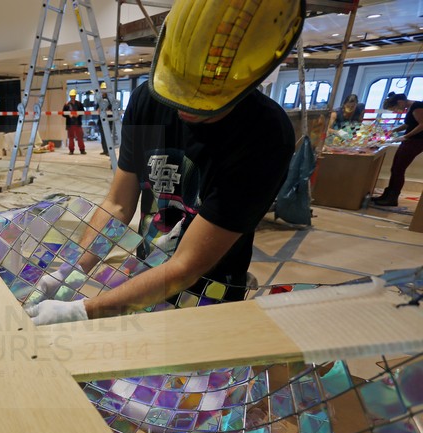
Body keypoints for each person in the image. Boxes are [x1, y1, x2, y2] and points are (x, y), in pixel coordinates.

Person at [27, 0, 303, 326]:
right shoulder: (149, 101)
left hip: (209, 293)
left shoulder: (264, 135)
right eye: (176, 90)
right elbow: (117, 204)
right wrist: (70, 271)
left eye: (200, 103)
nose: (182, 107)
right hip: (146, 271)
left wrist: (82, 311)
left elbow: (186, 266)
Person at [372, 91, 423, 206]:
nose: (396, 111)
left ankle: (392, 198)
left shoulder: (417, 107)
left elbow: (422, 124)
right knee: (395, 168)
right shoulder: (410, 108)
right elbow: (408, 124)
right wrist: (393, 131)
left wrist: (406, 136)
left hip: (415, 142)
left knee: (398, 169)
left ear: (400, 102)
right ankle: (388, 194)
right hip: (410, 141)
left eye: (395, 108)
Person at [63, 89, 86, 155]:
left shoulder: (79, 104)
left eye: (73, 96)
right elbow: (63, 113)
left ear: (75, 96)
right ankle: (71, 150)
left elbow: (83, 112)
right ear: (70, 96)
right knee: (71, 138)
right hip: (70, 124)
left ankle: (82, 150)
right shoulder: (67, 104)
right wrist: (69, 115)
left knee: (80, 137)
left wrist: (78, 115)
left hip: (77, 123)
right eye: (71, 96)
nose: (72, 97)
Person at [98, 82, 112, 156]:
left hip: (108, 121)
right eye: (102, 90)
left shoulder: (110, 99)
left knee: (108, 136)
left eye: (104, 89)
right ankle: (105, 150)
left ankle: (109, 151)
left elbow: (113, 109)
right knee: (103, 137)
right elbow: (97, 109)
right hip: (101, 121)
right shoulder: (99, 99)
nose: (103, 91)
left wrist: (108, 110)